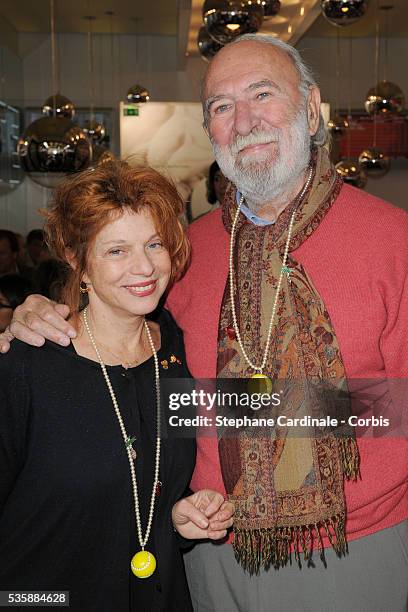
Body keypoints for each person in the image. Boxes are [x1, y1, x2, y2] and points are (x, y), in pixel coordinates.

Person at [1, 34, 407, 611]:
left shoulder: (396, 241)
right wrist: (38, 313)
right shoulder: (184, 251)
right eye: (221, 106)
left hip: (355, 551)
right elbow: (133, 356)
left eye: (262, 94)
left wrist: (247, 404)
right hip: (205, 554)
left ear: (312, 107)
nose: (243, 121)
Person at [0, 161, 233, 612]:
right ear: (76, 260)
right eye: (116, 251)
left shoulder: (176, 350)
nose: (144, 267)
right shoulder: (27, 366)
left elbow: (142, 484)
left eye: (154, 244)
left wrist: (178, 518)